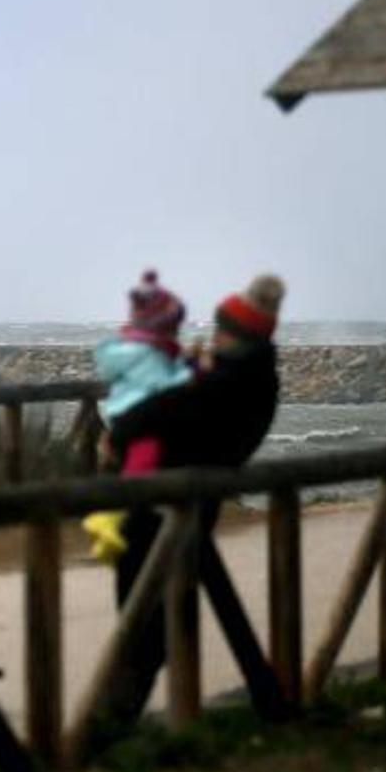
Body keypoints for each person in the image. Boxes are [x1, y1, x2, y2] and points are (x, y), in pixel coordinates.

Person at [93, 273, 285, 735]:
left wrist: (118, 435)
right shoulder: (250, 377)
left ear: (240, 337)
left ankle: (104, 734)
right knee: (161, 618)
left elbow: (150, 415)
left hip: (164, 507)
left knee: (142, 623)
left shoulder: (224, 384)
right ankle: (195, 718)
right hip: (188, 503)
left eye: (223, 331)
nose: (214, 337)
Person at [82, 270, 193, 563]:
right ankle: (111, 517)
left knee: (128, 463)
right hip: (137, 420)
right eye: (174, 326)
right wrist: (193, 369)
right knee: (142, 464)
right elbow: (168, 388)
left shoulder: (126, 350)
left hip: (121, 414)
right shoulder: (151, 357)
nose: (177, 332)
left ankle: (111, 516)